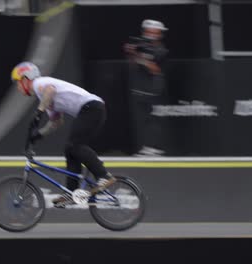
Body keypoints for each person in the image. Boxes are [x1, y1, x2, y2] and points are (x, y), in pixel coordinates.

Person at [10, 62, 116, 207]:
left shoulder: (39, 83)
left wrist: (38, 113)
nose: (17, 87)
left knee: (74, 145)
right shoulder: (44, 97)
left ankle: (103, 176)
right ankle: (72, 192)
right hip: (91, 110)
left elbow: (50, 90)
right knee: (70, 149)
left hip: (92, 108)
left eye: (17, 83)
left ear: (25, 79)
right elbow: (56, 122)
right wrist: (38, 135)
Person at [124, 19, 169, 156]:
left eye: (158, 32)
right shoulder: (141, 45)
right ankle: (147, 147)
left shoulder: (161, 50)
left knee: (152, 120)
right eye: (152, 32)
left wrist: (140, 58)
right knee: (143, 119)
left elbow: (154, 69)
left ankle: (154, 147)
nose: (156, 34)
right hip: (139, 88)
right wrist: (131, 53)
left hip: (152, 89)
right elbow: (133, 64)